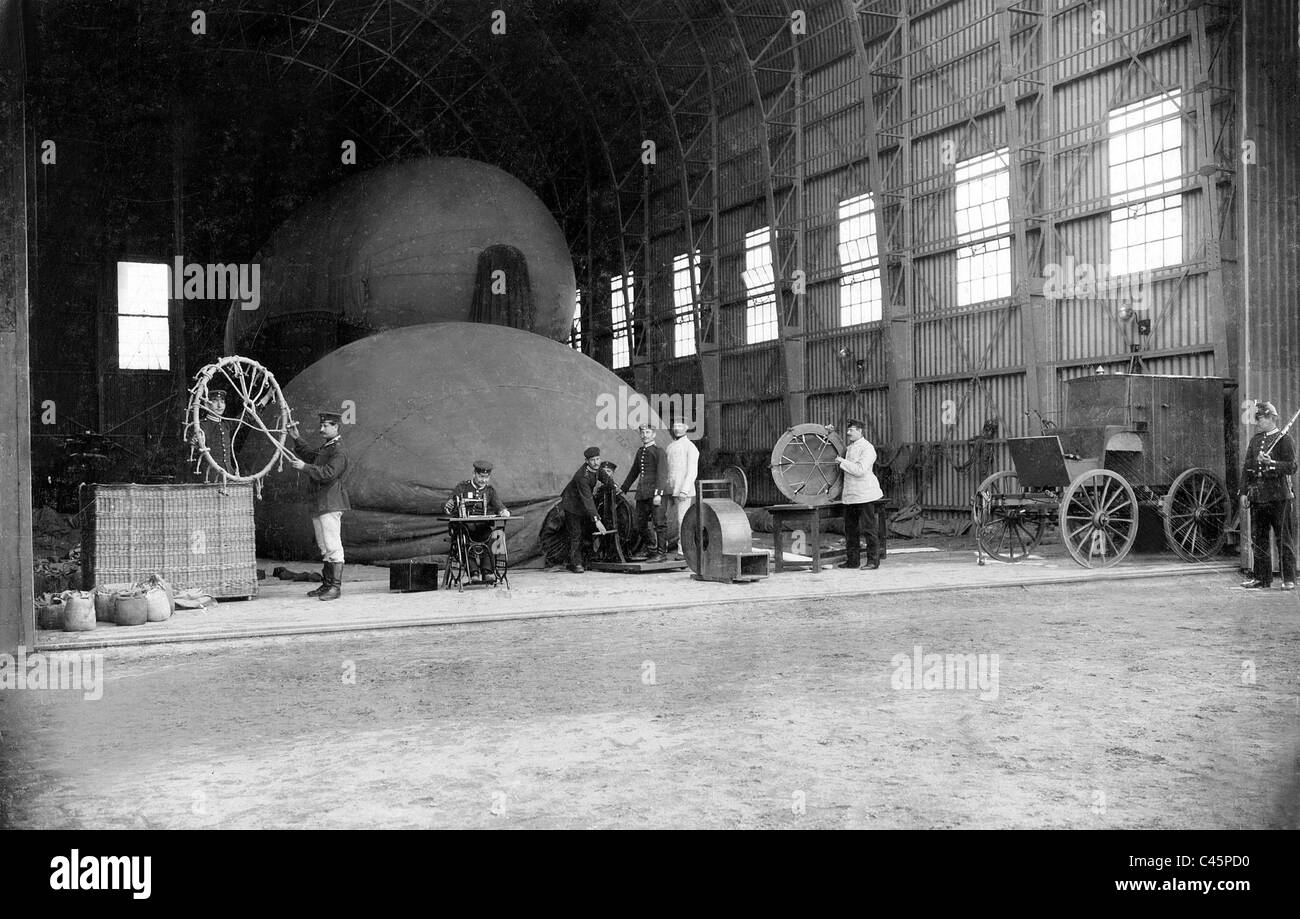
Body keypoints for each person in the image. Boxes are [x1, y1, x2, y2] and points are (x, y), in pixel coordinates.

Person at [286, 411, 350, 601]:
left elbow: (328, 473)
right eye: (321, 425)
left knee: (332, 545)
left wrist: (304, 467)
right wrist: (296, 437)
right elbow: (311, 455)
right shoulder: (329, 447)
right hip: (321, 503)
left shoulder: (339, 450)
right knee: (324, 546)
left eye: (325, 426)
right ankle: (328, 584)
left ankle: (335, 588)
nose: (321, 429)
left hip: (330, 503)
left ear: (336, 427)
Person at [1240, 401, 1296, 590]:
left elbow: (1291, 467)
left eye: (1260, 418)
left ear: (1271, 418)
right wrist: (1244, 492)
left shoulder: (1285, 439)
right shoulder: (1256, 440)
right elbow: (1247, 467)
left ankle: (1288, 579)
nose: (1257, 422)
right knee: (1259, 539)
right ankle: (1261, 578)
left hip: (1279, 497)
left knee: (1284, 539)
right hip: (1258, 497)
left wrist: (1271, 463)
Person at [444, 460, 510, 585]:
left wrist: (503, 511)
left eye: (486, 478)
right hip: (463, 527)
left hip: (482, 526)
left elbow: (499, 506)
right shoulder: (462, 487)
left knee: (492, 537)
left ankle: (487, 571)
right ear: (474, 473)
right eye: (481, 476)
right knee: (466, 539)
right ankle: (473, 572)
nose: (483, 480)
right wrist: (449, 506)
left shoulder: (489, 491)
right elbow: (449, 507)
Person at [835, 418, 884, 570]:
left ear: (860, 431)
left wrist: (841, 462)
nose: (848, 433)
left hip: (865, 494)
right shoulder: (850, 448)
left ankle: (873, 561)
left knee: (869, 529)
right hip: (850, 496)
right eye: (848, 430)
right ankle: (853, 561)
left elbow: (860, 470)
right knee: (850, 530)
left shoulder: (867, 448)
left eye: (852, 430)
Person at [621, 423, 669, 562]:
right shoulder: (640, 451)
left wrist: (658, 494)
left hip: (656, 494)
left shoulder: (658, 451)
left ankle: (661, 554)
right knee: (639, 523)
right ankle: (651, 550)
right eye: (642, 433)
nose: (644, 435)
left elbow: (662, 474)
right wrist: (623, 488)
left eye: (648, 432)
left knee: (659, 523)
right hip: (643, 493)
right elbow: (634, 472)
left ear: (653, 434)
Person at [559, 446, 608, 573]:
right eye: (593, 460)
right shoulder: (582, 476)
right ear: (587, 461)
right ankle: (576, 564)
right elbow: (588, 499)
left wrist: (615, 488)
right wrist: (597, 520)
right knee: (576, 534)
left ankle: (587, 559)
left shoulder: (598, 468)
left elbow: (607, 480)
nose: (596, 462)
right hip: (572, 505)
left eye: (598, 459)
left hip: (582, 505)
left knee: (586, 532)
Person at [664, 420, 699, 559]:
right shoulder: (670, 447)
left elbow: (692, 472)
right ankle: (663, 549)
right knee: (666, 520)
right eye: (675, 426)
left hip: (684, 491)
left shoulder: (691, 447)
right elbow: (668, 470)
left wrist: (684, 490)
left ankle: (682, 551)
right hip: (670, 490)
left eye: (680, 426)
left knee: (682, 520)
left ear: (686, 428)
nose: (677, 429)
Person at [194, 389, 236, 482]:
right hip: (210, 478)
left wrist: (267, 397)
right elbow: (193, 445)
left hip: (229, 475)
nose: (219, 405)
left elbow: (247, 416)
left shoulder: (226, 424)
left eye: (222, 402)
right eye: (215, 401)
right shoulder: (201, 426)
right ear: (206, 404)